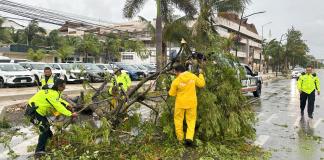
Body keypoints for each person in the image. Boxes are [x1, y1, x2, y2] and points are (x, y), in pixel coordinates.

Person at [25, 79, 77, 156]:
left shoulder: (54, 91)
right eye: (64, 86)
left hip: (38, 112)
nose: (65, 88)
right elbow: (57, 105)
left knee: (47, 128)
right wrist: (70, 114)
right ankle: (39, 152)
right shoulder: (52, 93)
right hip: (33, 112)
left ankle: (53, 143)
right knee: (44, 130)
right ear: (59, 86)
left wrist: (67, 105)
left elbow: (57, 101)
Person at [168, 64, 205, 146]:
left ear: (178, 71)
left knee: (178, 120)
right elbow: (201, 84)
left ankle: (180, 139)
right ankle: (189, 138)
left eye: (175, 72)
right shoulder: (192, 76)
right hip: (192, 103)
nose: (175, 74)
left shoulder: (176, 81)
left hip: (180, 104)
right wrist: (201, 74)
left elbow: (171, 94)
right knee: (191, 120)